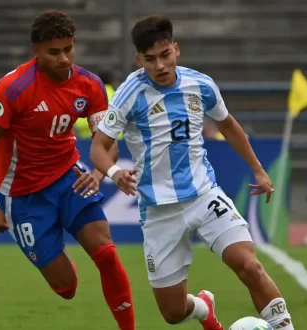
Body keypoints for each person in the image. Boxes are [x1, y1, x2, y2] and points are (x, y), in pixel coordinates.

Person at [90, 14, 294, 330]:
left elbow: (228, 124)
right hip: (160, 212)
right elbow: (98, 147)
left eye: (165, 55)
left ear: (176, 49)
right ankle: (204, 309)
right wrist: (115, 172)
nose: (159, 65)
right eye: (150, 59)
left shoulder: (200, 85)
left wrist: (259, 170)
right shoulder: (130, 94)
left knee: (250, 266)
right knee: (172, 313)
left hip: (204, 196)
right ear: (138, 59)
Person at [0, 11, 136, 329]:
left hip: (69, 178)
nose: (63, 58)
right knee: (66, 289)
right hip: (23, 195)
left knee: (106, 254)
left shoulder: (89, 85)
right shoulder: (13, 88)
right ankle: (60, 264)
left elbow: (105, 140)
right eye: (53, 51)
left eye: (68, 49)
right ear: (36, 49)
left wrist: (100, 173)